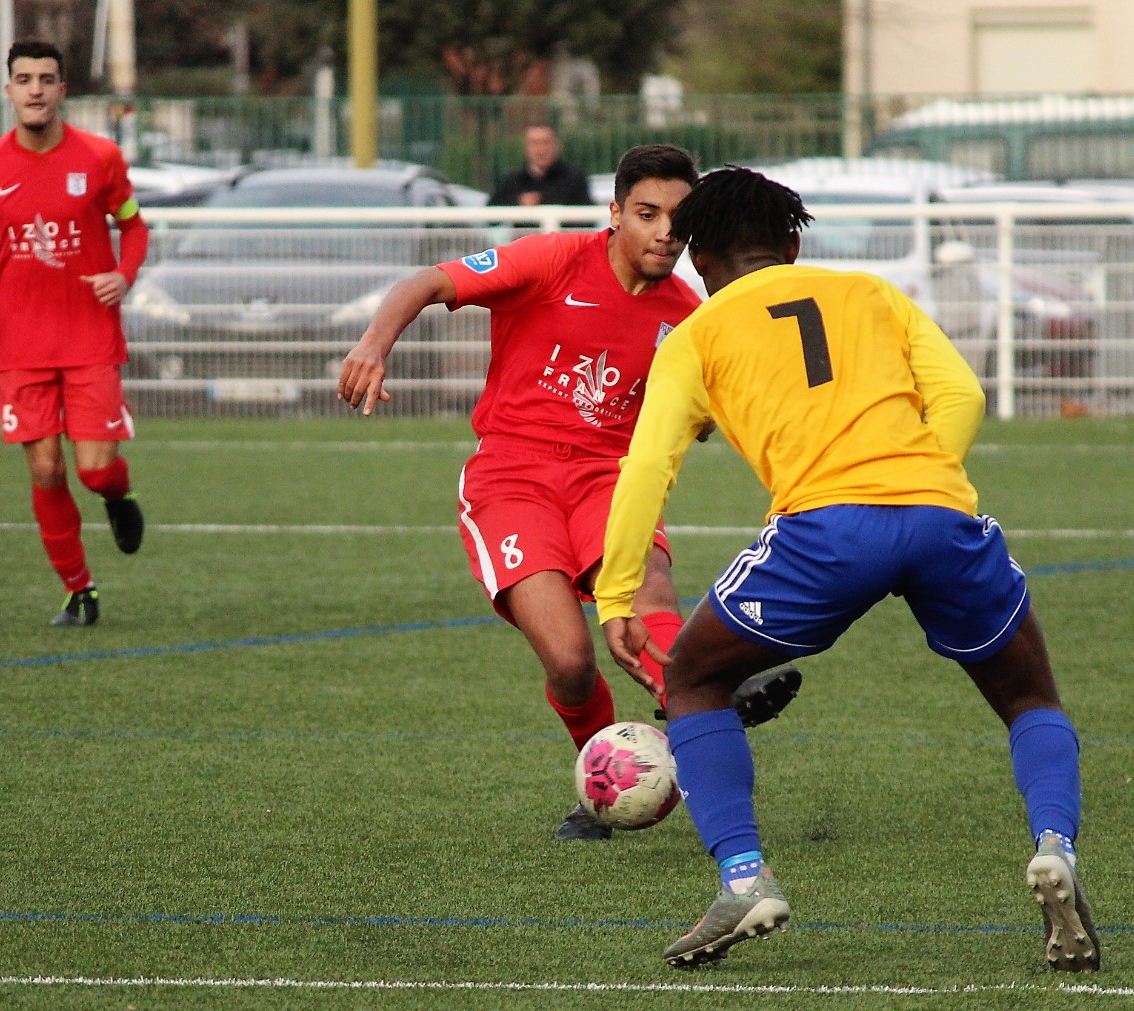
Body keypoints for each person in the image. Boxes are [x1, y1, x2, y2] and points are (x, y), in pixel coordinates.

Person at [595, 166, 1099, 972]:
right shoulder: (871, 292)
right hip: (941, 513)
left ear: (695, 261)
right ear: (793, 243)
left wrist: (618, 593)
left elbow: (647, 465)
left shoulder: (694, 335)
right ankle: (1055, 847)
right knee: (1029, 697)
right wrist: (924, 489)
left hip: (825, 532)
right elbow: (961, 394)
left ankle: (744, 877)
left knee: (691, 679)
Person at [339, 145, 802, 842]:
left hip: (609, 480)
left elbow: (722, 410)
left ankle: (709, 693)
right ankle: (605, 772)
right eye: (646, 214)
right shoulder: (552, 260)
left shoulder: (689, 315)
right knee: (570, 660)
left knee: (649, 591)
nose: (664, 233)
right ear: (614, 213)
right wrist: (375, 343)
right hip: (512, 477)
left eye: (679, 219)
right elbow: (426, 282)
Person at [0, 38, 149, 627]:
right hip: (20, 342)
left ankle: (118, 495)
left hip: (89, 337)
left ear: (62, 90)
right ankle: (79, 591)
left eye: (46, 78)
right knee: (46, 470)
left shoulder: (100, 158)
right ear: (9, 91)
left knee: (94, 469)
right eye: (24, 78)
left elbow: (134, 229)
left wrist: (124, 275)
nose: (35, 88)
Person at [488, 124, 593, 207]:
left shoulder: (575, 178)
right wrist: (518, 203)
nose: (541, 150)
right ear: (526, 148)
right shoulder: (512, 180)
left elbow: (587, 219)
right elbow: (491, 216)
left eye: (546, 142)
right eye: (535, 143)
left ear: (557, 145)